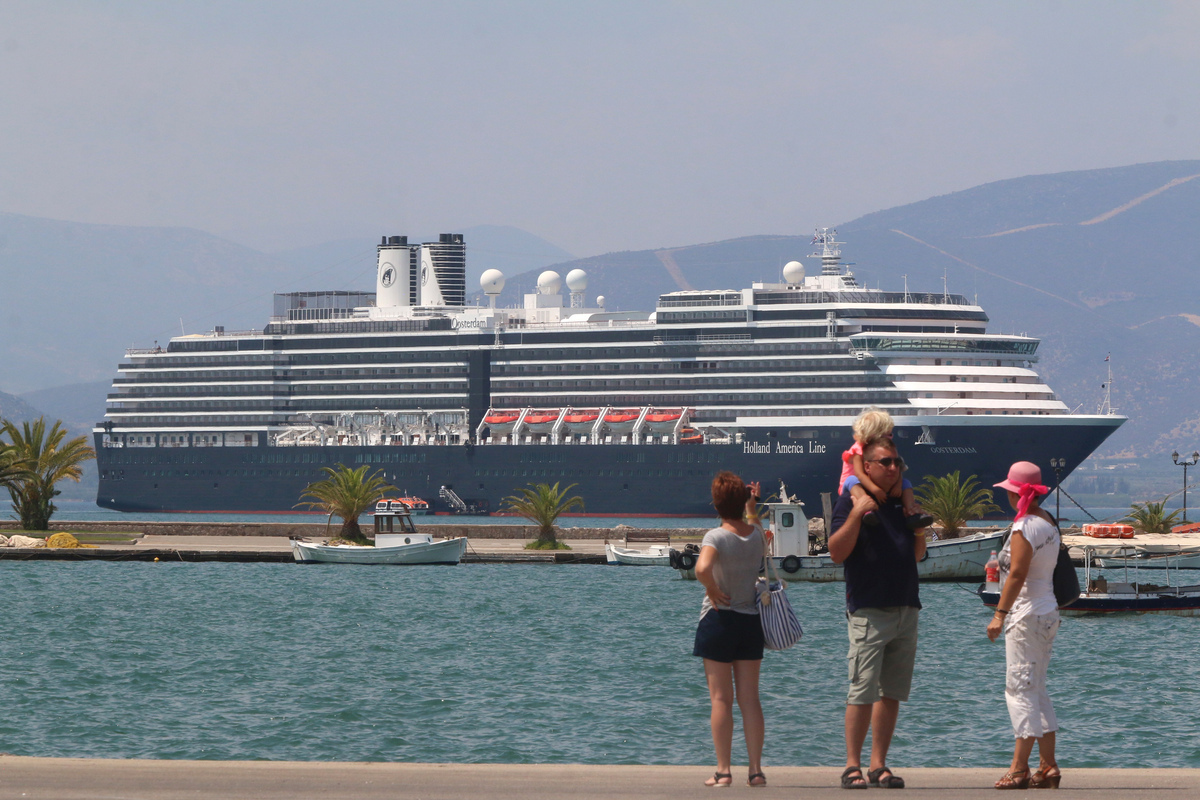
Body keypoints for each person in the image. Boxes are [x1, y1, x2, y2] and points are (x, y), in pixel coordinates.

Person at [828, 436, 925, 790]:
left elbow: (915, 556)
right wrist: (856, 513)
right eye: (885, 462)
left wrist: (919, 529)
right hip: (869, 609)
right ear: (865, 466)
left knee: (892, 692)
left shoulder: (900, 502)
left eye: (897, 463)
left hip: (906, 607)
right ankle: (852, 765)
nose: (893, 468)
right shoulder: (851, 501)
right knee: (862, 690)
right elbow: (836, 552)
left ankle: (878, 764)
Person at [986, 461, 1062, 790]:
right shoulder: (1048, 522)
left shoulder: (1024, 527)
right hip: (1048, 612)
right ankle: (1048, 767)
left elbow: (1016, 574)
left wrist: (999, 615)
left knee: (1019, 691)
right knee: (1036, 689)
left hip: (1026, 615)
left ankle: (1019, 769)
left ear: (1016, 493)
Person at [693, 471, 769, 788]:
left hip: (719, 619)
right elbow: (756, 527)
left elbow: (701, 568)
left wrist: (710, 588)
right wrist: (752, 505)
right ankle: (755, 770)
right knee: (750, 699)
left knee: (721, 700)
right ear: (742, 501)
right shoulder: (756, 535)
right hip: (750, 620)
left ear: (715, 502)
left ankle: (724, 771)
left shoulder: (715, 536)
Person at [838, 407, 932, 530]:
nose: (890, 437)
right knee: (852, 480)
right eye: (887, 435)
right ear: (873, 434)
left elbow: (899, 469)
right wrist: (876, 490)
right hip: (855, 484)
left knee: (906, 483)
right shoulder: (858, 450)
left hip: (872, 481)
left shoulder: (885, 450)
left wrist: (898, 485)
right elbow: (859, 474)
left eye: (890, 434)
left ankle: (911, 512)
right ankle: (867, 512)